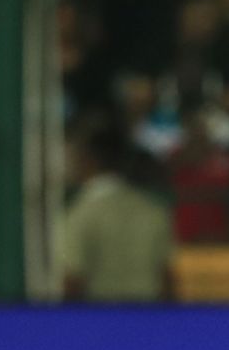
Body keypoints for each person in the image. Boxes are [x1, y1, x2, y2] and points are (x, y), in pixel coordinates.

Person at [62, 126, 174, 301]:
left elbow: (72, 279)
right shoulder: (152, 210)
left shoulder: (80, 214)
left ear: (88, 161)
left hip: (100, 322)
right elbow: (166, 278)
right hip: (148, 320)